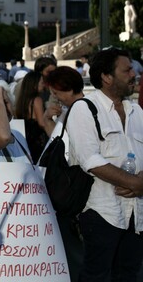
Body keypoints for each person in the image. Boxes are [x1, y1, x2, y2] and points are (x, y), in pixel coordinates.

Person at [66, 48, 143, 280]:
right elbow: (90, 160)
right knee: (96, 275)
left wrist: (140, 184)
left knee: (128, 274)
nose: (134, 74)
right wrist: (135, 183)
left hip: (136, 214)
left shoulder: (136, 110)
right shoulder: (85, 108)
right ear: (107, 77)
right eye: (127, 70)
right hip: (102, 212)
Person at [39, 66, 84, 281]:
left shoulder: (81, 111)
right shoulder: (68, 112)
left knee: (76, 254)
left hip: (73, 193)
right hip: (66, 191)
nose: (54, 97)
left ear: (66, 88)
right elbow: (56, 142)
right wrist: (48, 119)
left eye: (56, 93)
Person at [14, 71, 56, 163]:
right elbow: (41, 122)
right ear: (34, 84)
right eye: (41, 82)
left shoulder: (22, 100)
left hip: (25, 137)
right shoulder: (37, 100)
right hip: (37, 139)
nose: (43, 85)